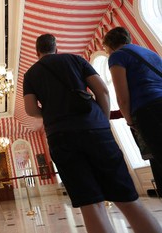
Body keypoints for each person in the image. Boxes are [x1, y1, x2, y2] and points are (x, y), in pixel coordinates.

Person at [23, 33, 162, 233]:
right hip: (95, 129)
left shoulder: (31, 74)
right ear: (56, 47)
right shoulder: (76, 59)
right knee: (128, 200)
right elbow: (102, 91)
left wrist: (51, 113)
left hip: (60, 136)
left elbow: (30, 109)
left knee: (91, 206)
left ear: (37, 52)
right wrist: (102, 120)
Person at [103, 26, 162, 167]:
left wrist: (130, 122)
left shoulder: (117, 56)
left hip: (148, 108)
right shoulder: (149, 52)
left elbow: (122, 97)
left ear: (109, 45)